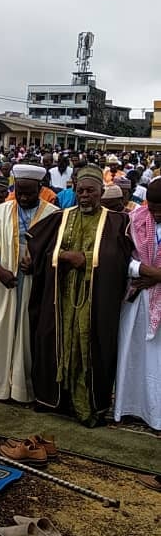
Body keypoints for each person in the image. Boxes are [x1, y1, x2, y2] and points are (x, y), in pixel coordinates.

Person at [29, 164, 131, 426]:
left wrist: (85, 259)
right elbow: (40, 249)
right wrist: (61, 256)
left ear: (100, 191)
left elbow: (119, 261)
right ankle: (54, 400)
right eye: (80, 190)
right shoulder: (61, 217)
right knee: (55, 341)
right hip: (60, 296)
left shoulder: (116, 221)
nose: (84, 196)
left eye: (90, 191)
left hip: (94, 299)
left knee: (89, 347)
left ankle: (87, 407)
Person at [0, 164, 58, 403]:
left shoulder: (52, 214)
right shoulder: (0, 212)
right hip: (3, 283)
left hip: (34, 285)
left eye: (30, 193)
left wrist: (38, 264)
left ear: (40, 189)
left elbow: (58, 250)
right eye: (20, 192)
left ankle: (24, 390)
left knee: (28, 336)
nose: (23, 197)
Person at [113, 178, 161, 431]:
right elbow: (122, 257)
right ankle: (130, 407)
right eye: (153, 208)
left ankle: (157, 415)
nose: (156, 214)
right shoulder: (137, 219)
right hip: (138, 297)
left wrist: (158, 275)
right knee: (133, 355)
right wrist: (142, 269)